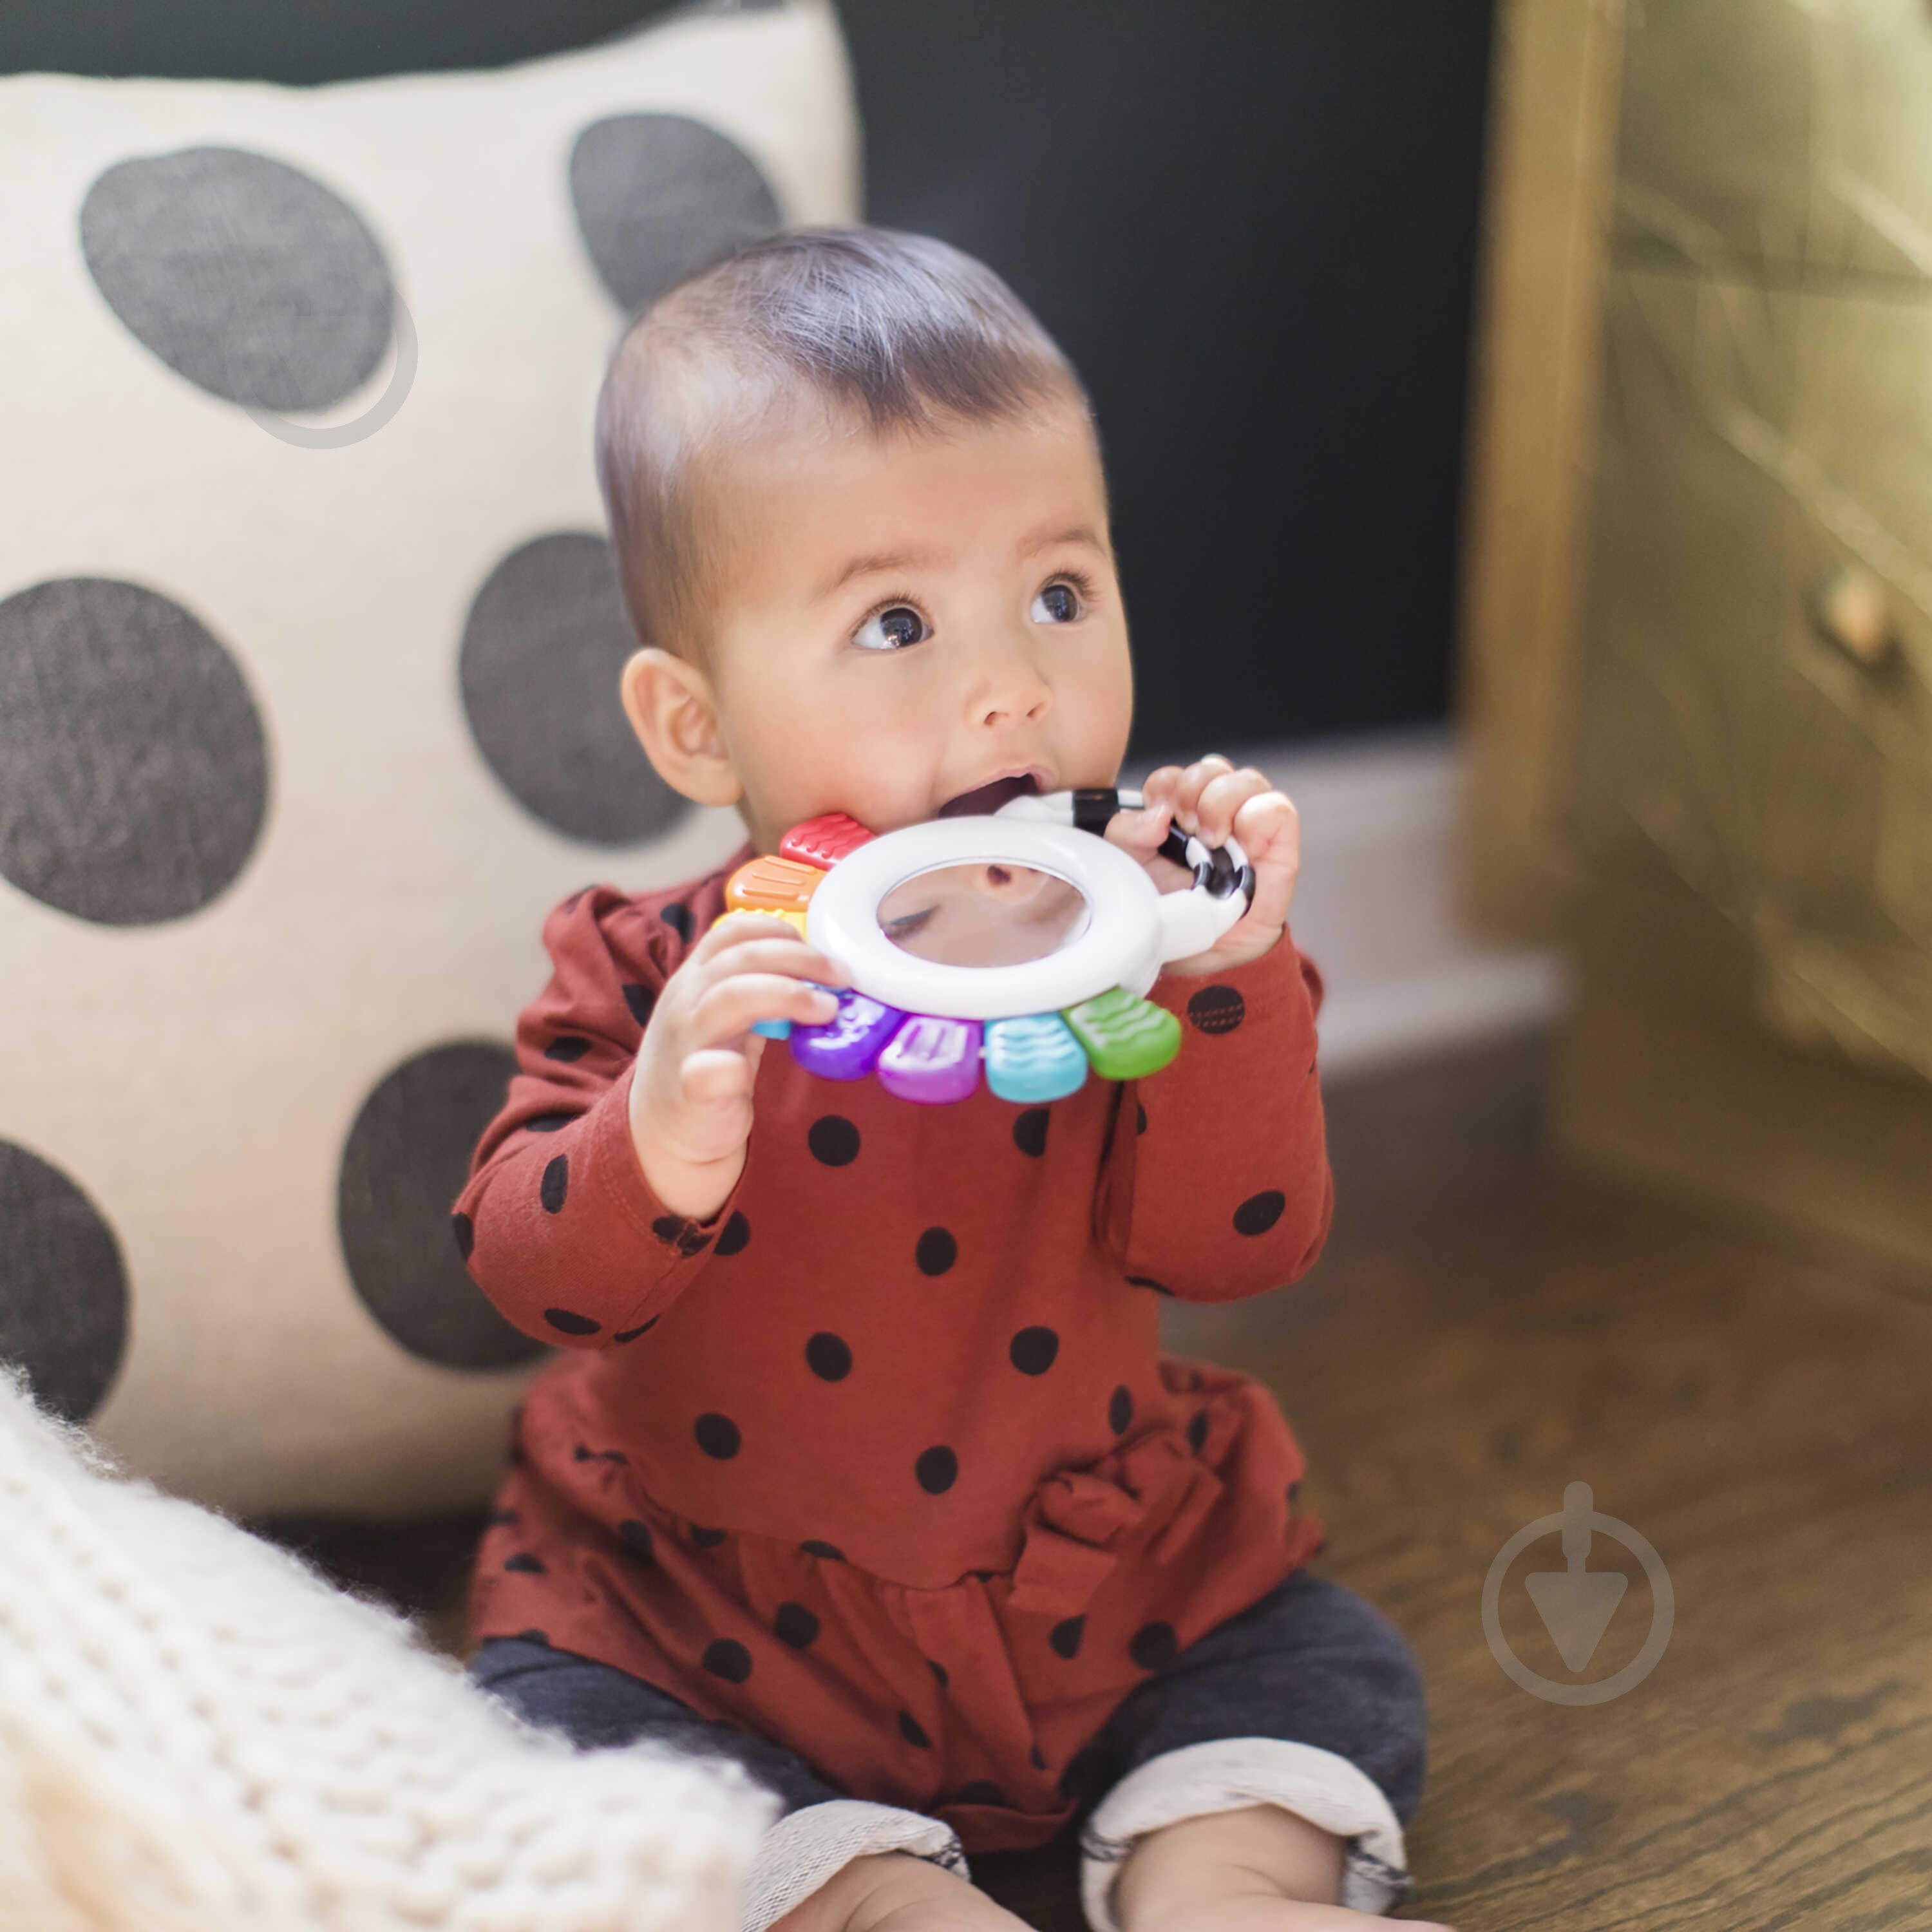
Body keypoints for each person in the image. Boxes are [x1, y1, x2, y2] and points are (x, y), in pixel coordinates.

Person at [454, 228, 1435, 1932]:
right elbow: (529, 1273)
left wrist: (1236, 982)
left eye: (1061, 592)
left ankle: (1230, 1891)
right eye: (896, 621)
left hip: (1101, 1586)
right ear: (696, 729)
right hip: (708, 1625)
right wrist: (659, 1126)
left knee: (1311, 1669)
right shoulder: (651, 978)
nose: (1014, 688)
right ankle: (885, 1907)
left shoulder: (1153, 954)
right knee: (576, 1760)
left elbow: (1244, 1246)